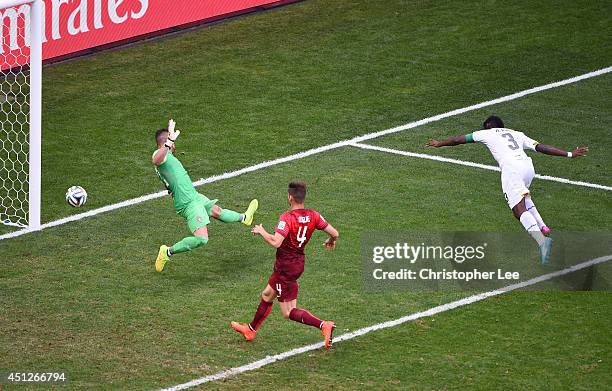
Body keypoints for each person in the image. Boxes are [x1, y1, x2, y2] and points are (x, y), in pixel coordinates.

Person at [426, 115, 588, 264]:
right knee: (524, 198)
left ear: (486, 127)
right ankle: (542, 226)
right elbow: (541, 147)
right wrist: (569, 154)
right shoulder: (517, 133)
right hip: (527, 167)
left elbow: (457, 139)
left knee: (518, 210)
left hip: (512, 169)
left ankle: (542, 241)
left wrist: (439, 143)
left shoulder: (486, 133)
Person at [231, 181, 340, 349]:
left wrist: (262, 231)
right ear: (303, 197)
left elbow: (276, 241)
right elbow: (335, 233)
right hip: (296, 263)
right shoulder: (314, 215)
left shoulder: (287, 218)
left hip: (285, 268)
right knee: (267, 294)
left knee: (288, 312)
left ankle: (323, 325)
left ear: (290, 197)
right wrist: (331, 240)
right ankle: (251, 330)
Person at [152, 119, 258, 272]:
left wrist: (169, 138)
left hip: (193, 196)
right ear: (166, 142)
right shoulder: (160, 155)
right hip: (188, 203)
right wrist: (169, 141)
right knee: (202, 239)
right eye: (170, 141)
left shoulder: (168, 156)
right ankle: (167, 252)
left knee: (216, 211)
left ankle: (245, 218)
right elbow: (156, 159)